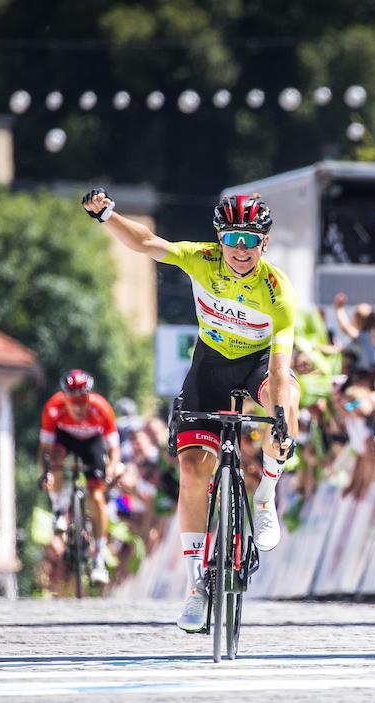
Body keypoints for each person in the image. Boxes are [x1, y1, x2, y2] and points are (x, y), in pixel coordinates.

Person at [81, 188, 298, 632]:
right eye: (233, 239)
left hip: (258, 364)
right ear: (220, 239)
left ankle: (266, 495)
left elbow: (279, 369)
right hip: (211, 365)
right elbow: (146, 243)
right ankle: (196, 585)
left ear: (265, 243)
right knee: (194, 470)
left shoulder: (278, 291)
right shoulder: (201, 258)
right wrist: (108, 217)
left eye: (250, 240)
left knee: (287, 400)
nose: (241, 250)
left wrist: (278, 422)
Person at [39, 369, 120, 586]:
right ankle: (58, 508)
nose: (78, 405)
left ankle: (98, 558)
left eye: (83, 399)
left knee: (96, 495)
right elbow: (44, 449)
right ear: (64, 398)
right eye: (72, 400)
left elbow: (114, 450)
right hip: (64, 440)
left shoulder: (101, 408)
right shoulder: (53, 409)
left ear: (89, 396)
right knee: (54, 458)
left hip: (92, 443)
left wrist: (111, 469)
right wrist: (45, 473)